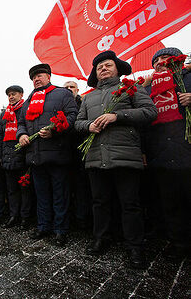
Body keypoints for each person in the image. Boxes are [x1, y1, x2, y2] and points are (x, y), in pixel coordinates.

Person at [75, 50, 157, 268]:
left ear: (117, 68)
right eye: (99, 67)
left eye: (108, 65)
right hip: (95, 156)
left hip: (125, 155)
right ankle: (101, 238)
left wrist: (117, 116)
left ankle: (135, 247)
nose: (103, 68)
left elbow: (150, 112)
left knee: (130, 203)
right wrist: (88, 126)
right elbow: (78, 122)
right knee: (99, 202)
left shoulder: (131, 88)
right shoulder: (88, 97)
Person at [17, 64, 78, 247]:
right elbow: (21, 123)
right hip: (35, 157)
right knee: (41, 195)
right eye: (34, 77)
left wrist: (56, 131)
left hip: (57, 154)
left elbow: (73, 116)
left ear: (49, 76)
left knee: (60, 194)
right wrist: (22, 135)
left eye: (40, 75)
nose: (37, 78)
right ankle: (43, 226)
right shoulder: (28, 101)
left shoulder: (62, 94)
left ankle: (61, 230)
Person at [143, 47, 191, 257]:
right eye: (157, 60)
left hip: (187, 148)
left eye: (166, 58)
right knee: (170, 202)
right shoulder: (148, 89)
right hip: (161, 151)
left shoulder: (188, 79)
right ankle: (178, 242)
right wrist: (145, 151)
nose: (161, 62)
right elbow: (144, 124)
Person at [0, 85, 31, 229]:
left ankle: (25, 218)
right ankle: (13, 216)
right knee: (11, 190)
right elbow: (0, 135)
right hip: (7, 157)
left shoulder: (26, 108)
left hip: (22, 156)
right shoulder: (5, 113)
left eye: (14, 94)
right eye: (9, 95)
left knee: (25, 190)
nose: (11, 97)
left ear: (21, 95)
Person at [63, 81, 92, 229]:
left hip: (82, 152)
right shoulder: (59, 107)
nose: (69, 89)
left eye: (71, 87)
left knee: (82, 187)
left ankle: (82, 219)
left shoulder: (84, 102)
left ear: (77, 90)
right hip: (64, 152)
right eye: (66, 87)